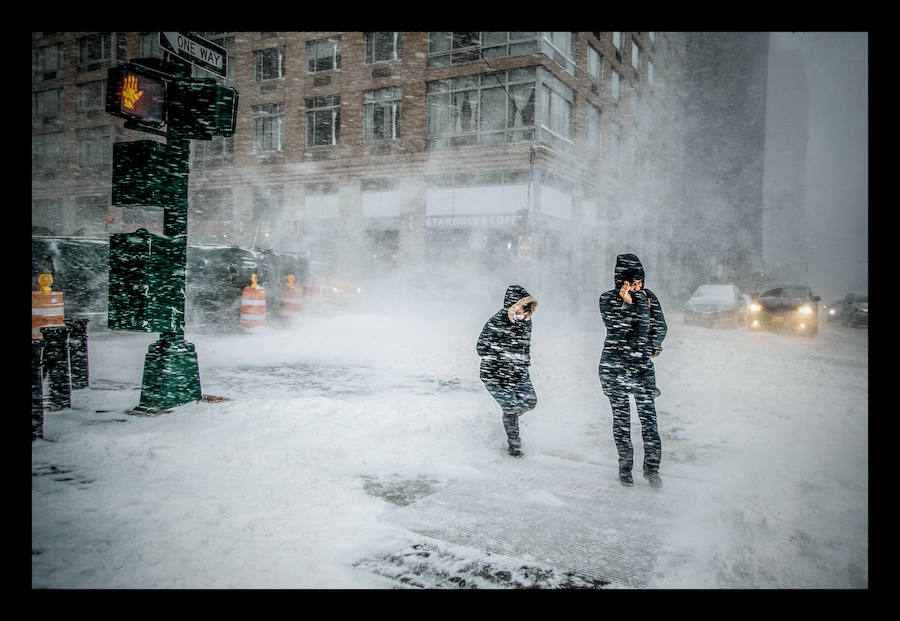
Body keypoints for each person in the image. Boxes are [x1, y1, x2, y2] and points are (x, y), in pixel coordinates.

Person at [598, 254, 667, 487]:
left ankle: (652, 470)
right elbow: (616, 329)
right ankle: (625, 468)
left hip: (641, 368)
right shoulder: (608, 299)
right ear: (622, 282)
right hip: (614, 367)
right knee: (622, 421)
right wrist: (625, 303)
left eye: (641, 281)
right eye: (633, 282)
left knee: (649, 421)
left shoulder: (648, 298)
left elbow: (660, 326)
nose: (639, 286)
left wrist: (650, 347)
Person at [477, 285, 538, 457]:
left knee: (530, 402)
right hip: (495, 375)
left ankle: (509, 419)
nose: (525, 313)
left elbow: (525, 346)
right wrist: (503, 357)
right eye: (521, 308)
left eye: (528, 309)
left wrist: (523, 365)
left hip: (518, 374)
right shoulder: (497, 321)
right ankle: (514, 445)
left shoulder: (526, 322)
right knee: (511, 407)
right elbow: (481, 347)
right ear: (511, 306)